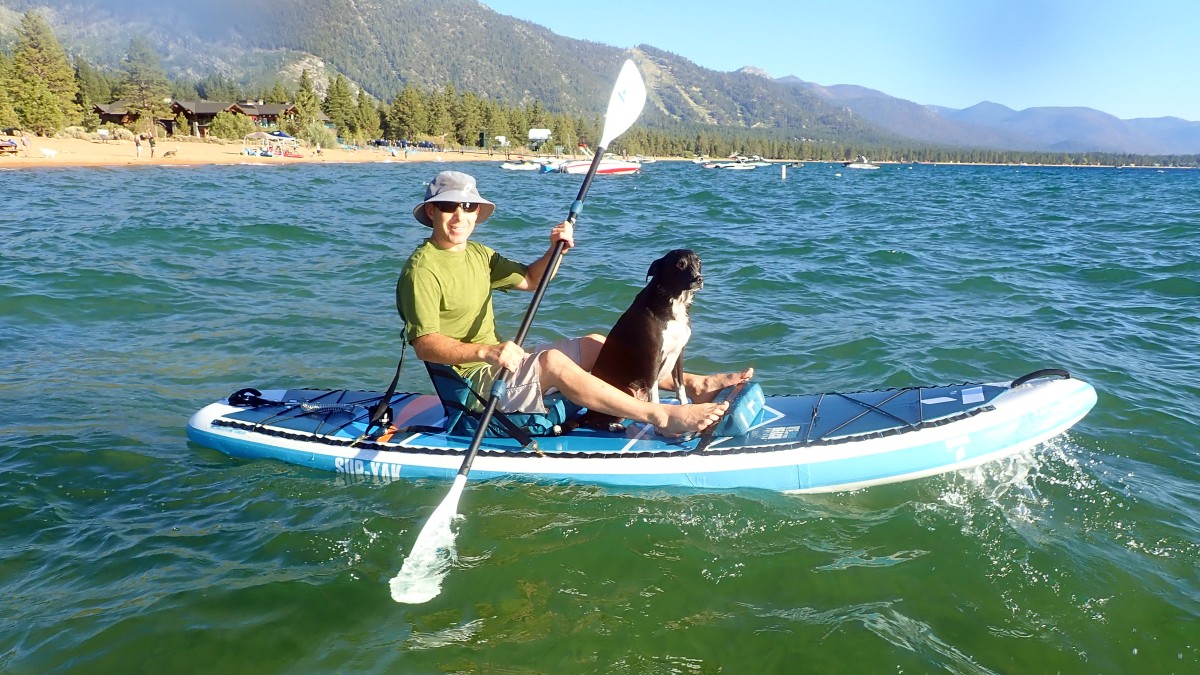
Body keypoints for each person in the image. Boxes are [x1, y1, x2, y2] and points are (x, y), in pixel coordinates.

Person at [396, 171, 752, 437]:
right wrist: (488, 352)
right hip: (473, 386)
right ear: (431, 212)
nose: (459, 215)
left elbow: (533, 280)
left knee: (599, 344)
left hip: (497, 366)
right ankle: (660, 415)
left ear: (477, 212)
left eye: (468, 206)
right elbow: (426, 346)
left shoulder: (478, 255)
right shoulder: (422, 270)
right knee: (553, 362)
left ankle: (693, 384)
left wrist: (556, 249)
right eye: (447, 206)